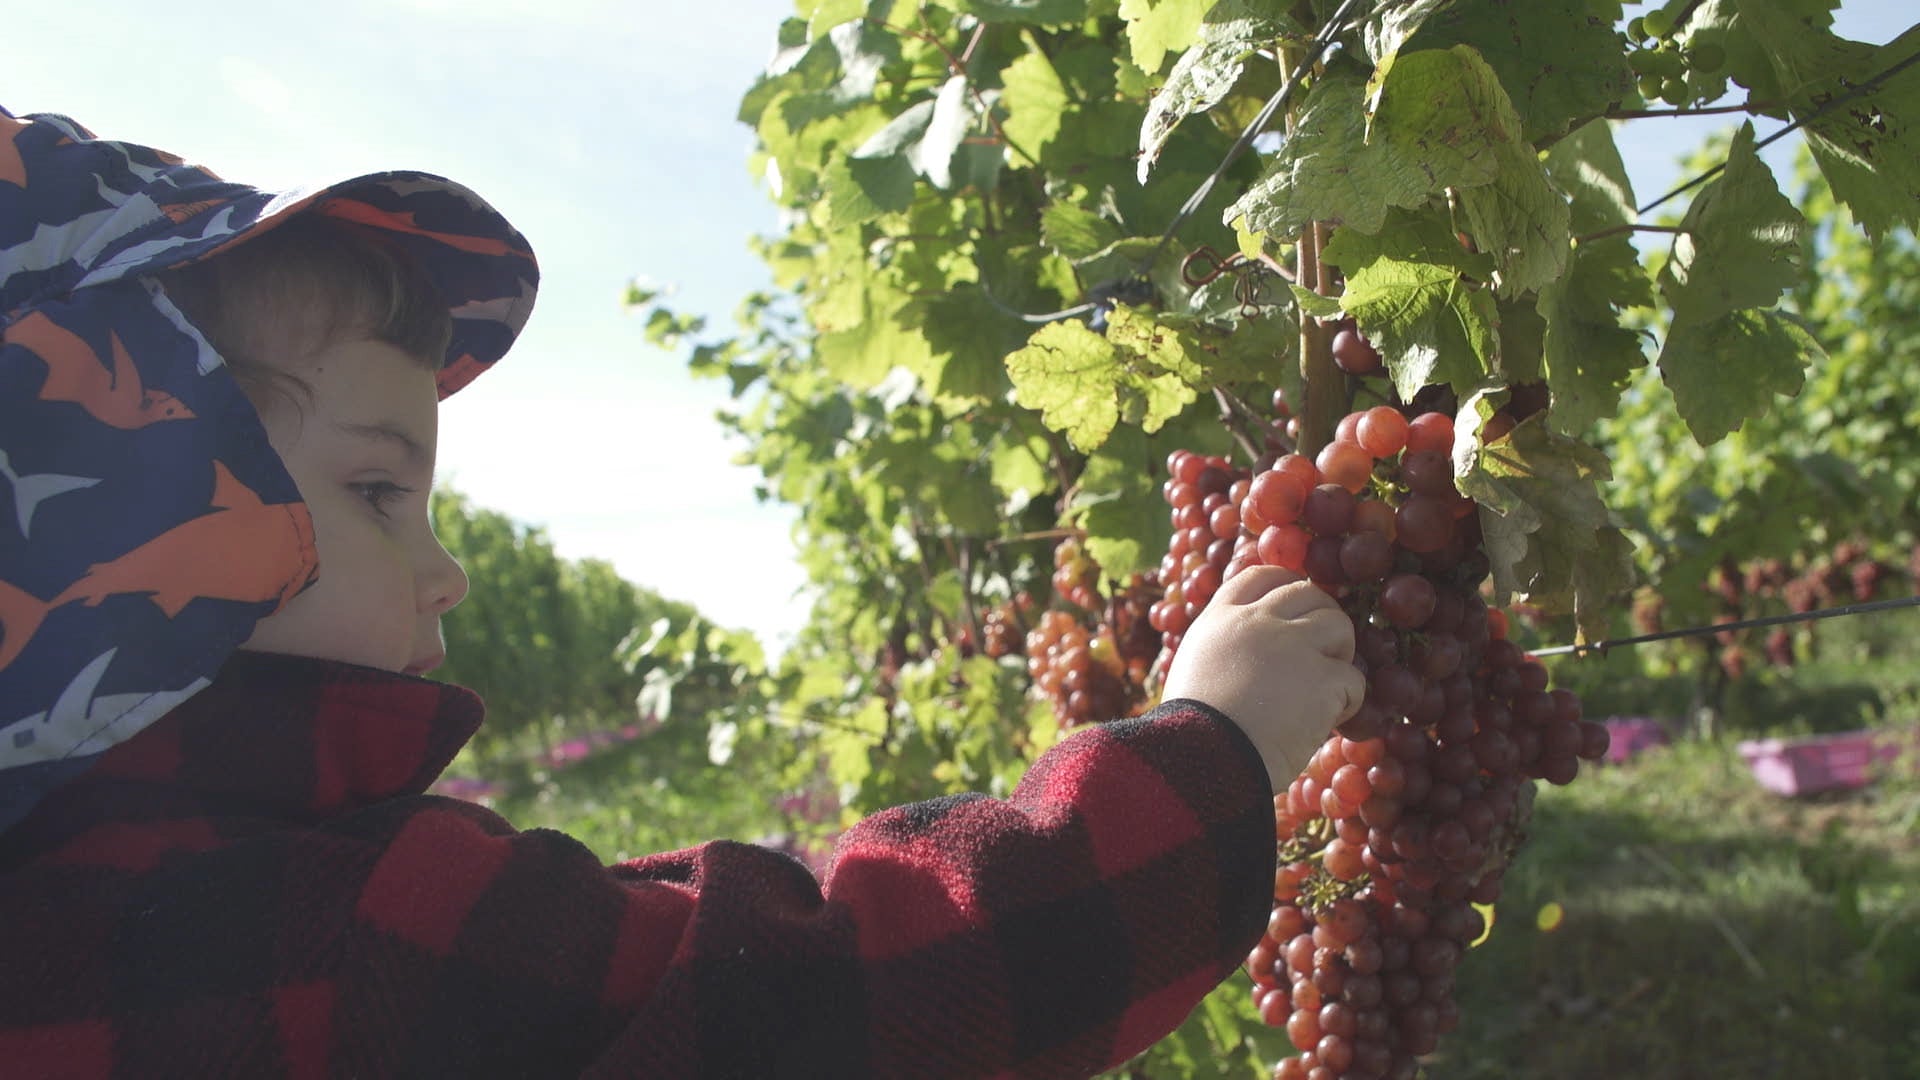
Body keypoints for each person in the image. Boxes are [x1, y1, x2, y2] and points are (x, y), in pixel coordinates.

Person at [0, 107, 1366, 1078]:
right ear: (135, 510)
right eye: (375, 492)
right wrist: (1213, 747)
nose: (446, 567)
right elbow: (839, 998)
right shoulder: (353, 931)